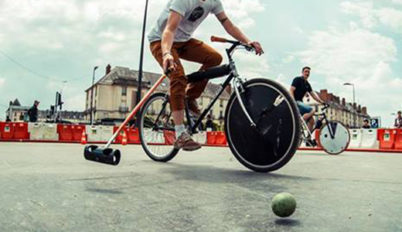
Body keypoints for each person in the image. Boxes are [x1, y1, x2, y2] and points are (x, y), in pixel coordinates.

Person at [148, 0, 263, 151]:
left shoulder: (214, 2)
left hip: (184, 42)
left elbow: (228, 24)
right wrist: (167, 53)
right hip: (161, 40)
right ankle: (180, 133)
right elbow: (169, 30)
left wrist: (247, 41)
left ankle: (189, 97)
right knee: (178, 77)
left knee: (214, 58)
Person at [290, 67, 325, 135]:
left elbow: (313, 95)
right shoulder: (297, 79)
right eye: (306, 71)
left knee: (312, 121)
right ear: (302, 72)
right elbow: (291, 90)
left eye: (308, 72)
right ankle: (300, 121)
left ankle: (308, 138)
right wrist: (293, 101)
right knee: (312, 110)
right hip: (296, 102)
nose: (307, 73)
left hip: (300, 102)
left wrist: (321, 101)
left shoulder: (307, 84)